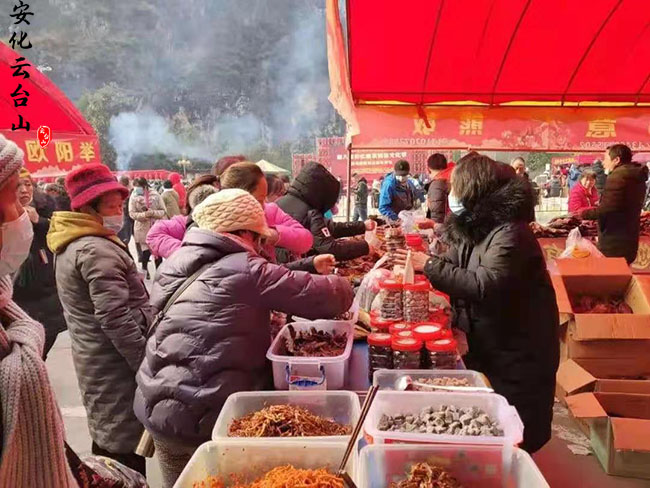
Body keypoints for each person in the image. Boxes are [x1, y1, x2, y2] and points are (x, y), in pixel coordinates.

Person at [134, 189, 353, 487]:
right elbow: (331, 297)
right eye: (260, 238)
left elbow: (248, 280)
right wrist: (345, 284)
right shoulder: (246, 268)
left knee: (182, 482)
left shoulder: (177, 261)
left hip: (159, 407)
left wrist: (305, 266)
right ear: (243, 233)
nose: (262, 245)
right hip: (208, 413)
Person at [398, 154, 559, 454]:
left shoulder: (511, 232)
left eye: (456, 188)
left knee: (514, 428)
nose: (452, 195)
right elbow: (457, 259)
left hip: (517, 347)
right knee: (490, 425)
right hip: (493, 340)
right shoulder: (481, 224)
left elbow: (485, 285)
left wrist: (430, 267)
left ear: (474, 189)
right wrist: (429, 265)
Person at [47, 163, 152, 476]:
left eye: (121, 204)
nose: (119, 211)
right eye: (112, 206)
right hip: (114, 364)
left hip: (96, 359)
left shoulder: (76, 241)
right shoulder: (94, 250)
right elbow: (115, 317)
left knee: (108, 439)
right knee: (122, 451)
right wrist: (145, 364)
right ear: (88, 208)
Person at [13, 168, 67, 359]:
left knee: (47, 335)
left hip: (46, 284)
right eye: (17, 185)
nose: (24, 190)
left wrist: (39, 221)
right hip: (14, 290)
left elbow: (62, 231)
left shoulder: (47, 205)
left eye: (27, 184)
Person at [277, 161, 374, 262]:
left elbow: (329, 228)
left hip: (281, 269)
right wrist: (364, 247)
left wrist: (362, 226)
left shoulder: (281, 202)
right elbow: (330, 249)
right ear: (321, 192)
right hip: (297, 268)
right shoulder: (310, 211)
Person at [581, 144, 649, 263]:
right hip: (628, 237)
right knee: (622, 274)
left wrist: (583, 214)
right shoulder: (636, 175)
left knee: (612, 276)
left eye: (606, 158)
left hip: (614, 240)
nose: (603, 163)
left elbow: (608, 209)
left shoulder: (619, 176)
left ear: (616, 160)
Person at [129, 177, 166, 278]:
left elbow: (163, 211)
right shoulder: (133, 196)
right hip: (142, 228)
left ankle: (159, 274)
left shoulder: (155, 194)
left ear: (144, 186)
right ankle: (145, 270)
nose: (137, 189)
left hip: (156, 227)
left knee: (158, 252)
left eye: (138, 187)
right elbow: (132, 213)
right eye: (135, 186)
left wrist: (153, 213)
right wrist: (144, 215)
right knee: (146, 252)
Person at [426, 153, 454, 223]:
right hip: (454, 224)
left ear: (429, 168)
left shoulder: (437, 184)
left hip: (444, 227)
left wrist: (435, 228)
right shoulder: (452, 178)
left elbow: (437, 212)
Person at [118, 175, 134, 246]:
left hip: (126, 217)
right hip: (129, 217)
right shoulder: (130, 192)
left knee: (124, 240)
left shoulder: (120, 192)